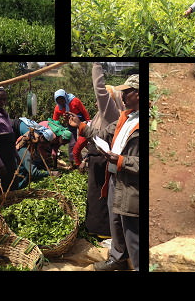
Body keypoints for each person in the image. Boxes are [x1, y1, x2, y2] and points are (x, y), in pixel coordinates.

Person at [69, 74, 140, 271]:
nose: (123, 96)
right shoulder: (125, 117)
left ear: (139, 94)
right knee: (115, 220)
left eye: (127, 92)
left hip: (130, 180)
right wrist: (81, 126)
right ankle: (117, 258)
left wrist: (121, 160)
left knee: (131, 228)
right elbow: (102, 134)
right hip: (115, 177)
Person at [71, 63, 125, 240]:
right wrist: (86, 158)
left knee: (101, 197)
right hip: (95, 159)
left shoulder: (111, 113)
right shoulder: (99, 116)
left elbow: (100, 91)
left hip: (103, 161)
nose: (96, 101)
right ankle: (94, 229)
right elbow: (94, 137)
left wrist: (96, 65)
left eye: (101, 100)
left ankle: (103, 231)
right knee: (94, 197)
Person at [52, 89, 90, 161]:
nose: (61, 102)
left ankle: (90, 156)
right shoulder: (58, 108)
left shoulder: (74, 101)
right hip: (71, 125)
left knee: (85, 141)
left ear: (65, 97)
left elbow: (84, 111)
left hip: (82, 122)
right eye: (58, 100)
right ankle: (75, 161)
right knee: (73, 143)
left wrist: (87, 121)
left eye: (62, 99)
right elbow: (55, 121)